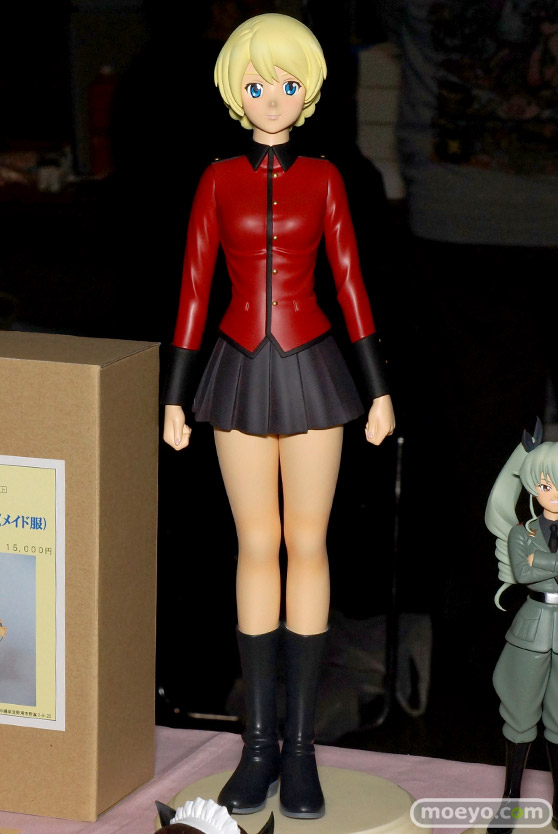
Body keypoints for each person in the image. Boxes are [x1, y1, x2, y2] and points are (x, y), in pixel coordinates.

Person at [162, 13, 395, 820]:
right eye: (257, 83)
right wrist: (175, 394)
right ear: (236, 90)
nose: (271, 97)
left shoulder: (325, 178)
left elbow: (351, 282)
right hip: (234, 367)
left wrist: (378, 389)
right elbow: (194, 288)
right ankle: (257, 745)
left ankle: (301, 750)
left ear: (309, 91)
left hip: (312, 368)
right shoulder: (216, 179)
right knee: (256, 544)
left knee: (308, 542)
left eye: (287, 83)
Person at [486, 422, 558, 832]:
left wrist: (540, 561)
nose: (554, 493)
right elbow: (524, 573)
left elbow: (534, 568)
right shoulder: (521, 532)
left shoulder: (528, 541)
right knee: (519, 715)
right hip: (531, 629)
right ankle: (510, 800)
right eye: (546, 485)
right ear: (533, 486)